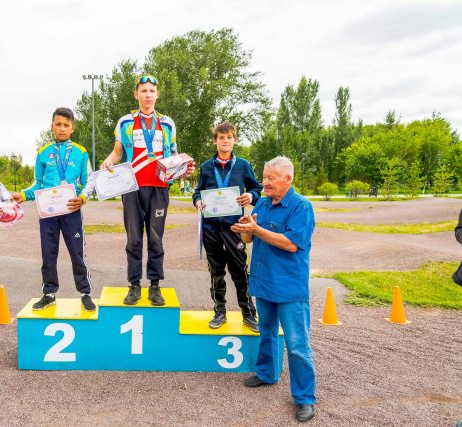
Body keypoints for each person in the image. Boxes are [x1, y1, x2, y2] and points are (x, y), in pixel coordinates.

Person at [231, 156, 316, 423]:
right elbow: (249, 237)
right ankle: (267, 374)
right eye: (264, 178)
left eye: (270, 179)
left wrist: (257, 229)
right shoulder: (263, 203)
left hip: (290, 288)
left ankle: (304, 398)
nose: (264, 183)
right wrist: (246, 229)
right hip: (264, 281)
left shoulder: (301, 206)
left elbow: (291, 244)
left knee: (297, 345)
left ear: (287, 179)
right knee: (266, 333)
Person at [100, 75, 194, 306]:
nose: (148, 95)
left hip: (160, 185)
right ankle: (134, 285)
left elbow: (173, 154)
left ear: (157, 94)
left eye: (152, 91)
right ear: (136, 94)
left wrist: (183, 169)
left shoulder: (167, 123)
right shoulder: (125, 122)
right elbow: (117, 151)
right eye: (143, 90)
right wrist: (108, 161)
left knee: (155, 237)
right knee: (133, 237)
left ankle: (154, 285)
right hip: (132, 186)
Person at [13, 107, 96, 312]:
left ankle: (85, 293)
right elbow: (38, 184)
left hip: (71, 210)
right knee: (48, 253)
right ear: (52, 126)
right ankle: (49, 293)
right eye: (58, 124)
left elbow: (89, 181)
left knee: (77, 253)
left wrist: (83, 198)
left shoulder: (81, 152)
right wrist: (23, 195)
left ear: (72, 128)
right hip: (48, 212)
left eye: (66, 125)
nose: (61, 128)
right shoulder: (43, 153)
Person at [193, 122, 262, 331]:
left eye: (229, 137)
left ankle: (248, 314)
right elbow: (198, 192)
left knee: (240, 271)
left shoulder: (242, 165)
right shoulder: (206, 167)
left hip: (235, 229)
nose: (225, 141)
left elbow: (257, 188)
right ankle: (219, 312)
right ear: (215, 140)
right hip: (211, 229)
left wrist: (250, 196)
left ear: (235, 140)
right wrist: (197, 202)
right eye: (221, 138)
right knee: (216, 272)